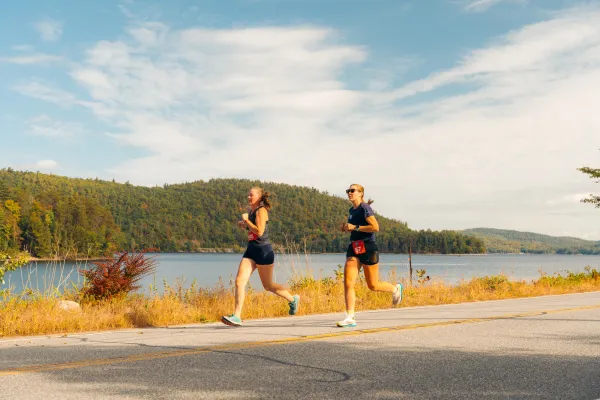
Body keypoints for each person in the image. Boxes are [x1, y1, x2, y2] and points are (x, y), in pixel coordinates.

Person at [222, 187, 300, 326]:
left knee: (268, 286)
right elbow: (253, 229)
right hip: (251, 250)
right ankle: (237, 316)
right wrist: (245, 225)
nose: (248, 197)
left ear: (258, 197)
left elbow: (260, 231)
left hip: (263, 251)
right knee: (239, 281)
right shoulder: (252, 211)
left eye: (251, 195)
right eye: (248, 195)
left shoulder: (261, 211)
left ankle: (292, 299)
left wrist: (246, 221)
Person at [336, 183, 403, 328]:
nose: (349, 193)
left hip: (368, 247)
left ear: (361, 193)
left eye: (352, 190)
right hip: (354, 247)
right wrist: (347, 228)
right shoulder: (351, 210)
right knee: (348, 282)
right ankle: (350, 316)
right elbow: (355, 228)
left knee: (373, 285)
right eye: (348, 190)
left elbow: (375, 227)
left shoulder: (365, 208)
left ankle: (395, 289)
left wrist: (356, 227)